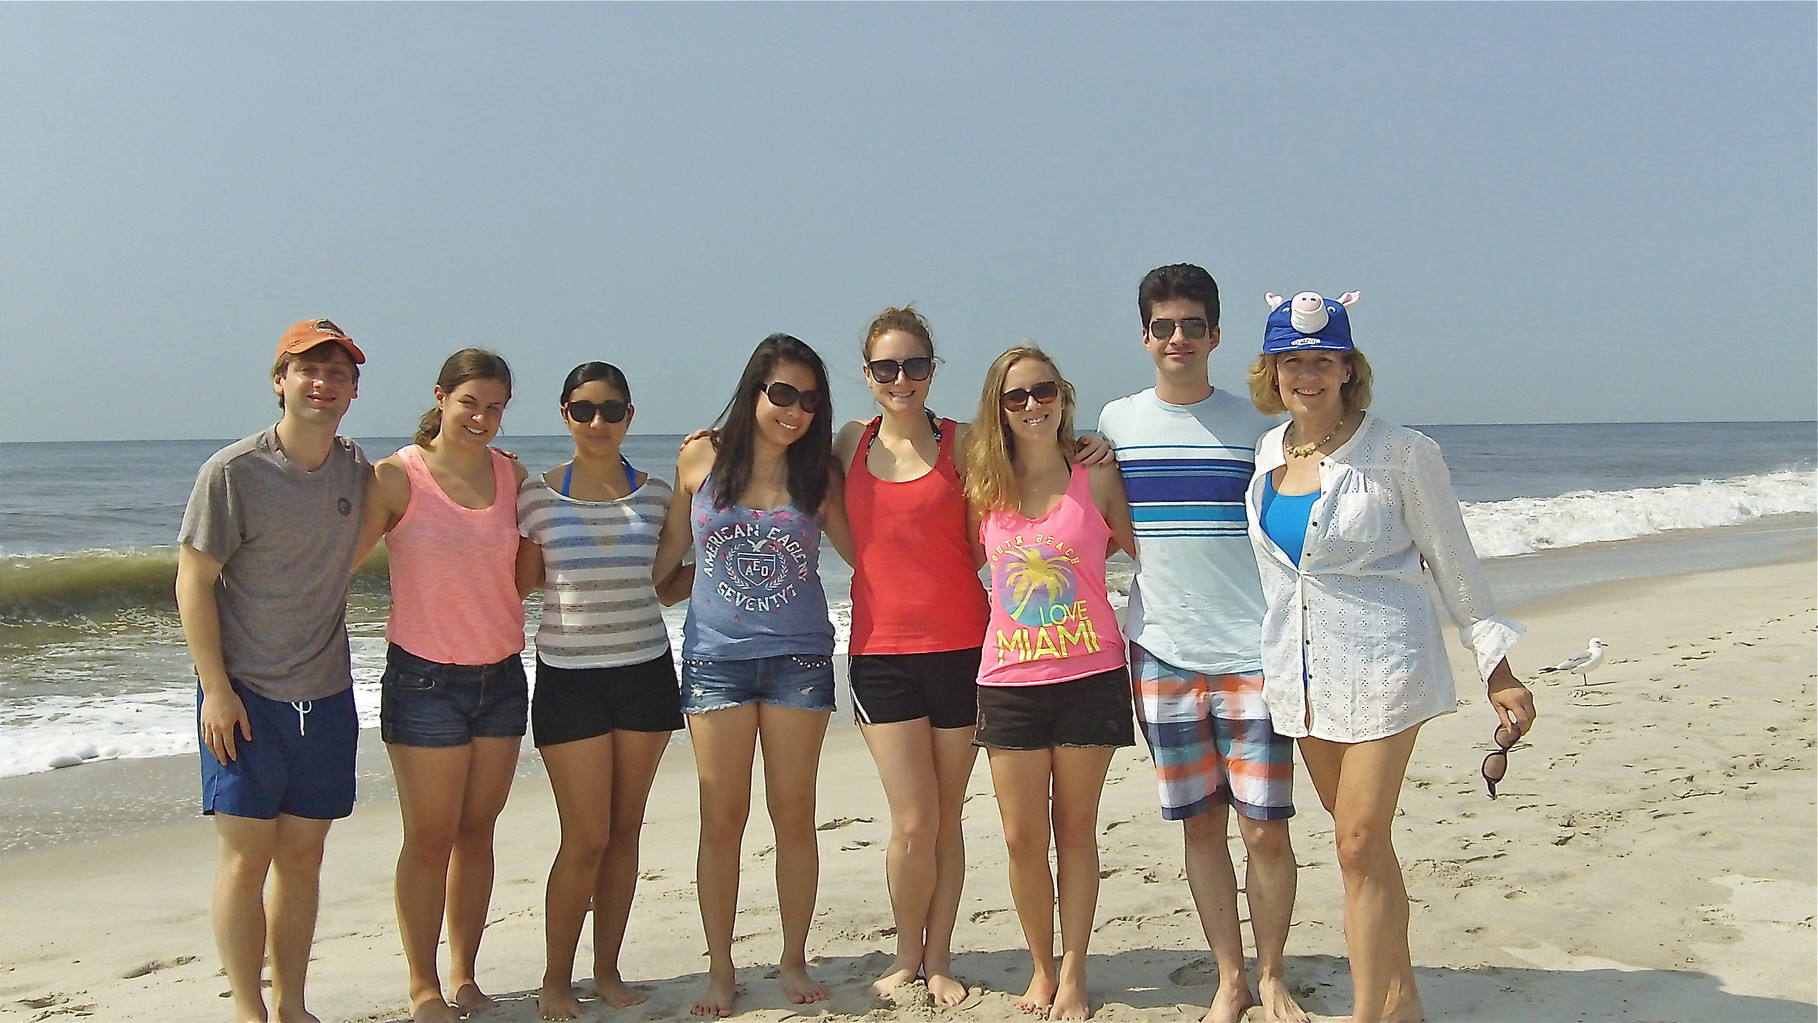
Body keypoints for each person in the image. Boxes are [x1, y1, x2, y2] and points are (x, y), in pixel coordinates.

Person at [1243, 291, 1537, 1023]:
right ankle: (1403, 998)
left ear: (1348, 368)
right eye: (1292, 361)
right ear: (1273, 371)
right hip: (1303, 674)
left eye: (1322, 360)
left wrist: (1496, 665)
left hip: (1384, 664)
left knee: (1356, 838)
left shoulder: (1402, 453)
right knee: (1363, 851)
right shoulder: (1268, 450)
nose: (1307, 375)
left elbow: (1454, 562)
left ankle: (1368, 1012)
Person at [1096, 264, 1306, 1023]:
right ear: (1145, 335)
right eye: (1163, 326)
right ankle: (1230, 977)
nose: (1177, 338)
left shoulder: (1260, 423)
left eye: (1192, 325)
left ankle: (1274, 970)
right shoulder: (1116, 425)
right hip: (1159, 650)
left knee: (1265, 827)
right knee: (1201, 825)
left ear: (1215, 334)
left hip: (1256, 651)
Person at [176, 318, 371, 1023]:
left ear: (353, 389)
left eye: (338, 372)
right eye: (308, 369)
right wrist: (217, 690)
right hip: (245, 691)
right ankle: (249, 1010)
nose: (323, 383)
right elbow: (193, 581)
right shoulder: (233, 471)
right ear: (280, 379)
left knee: (305, 855)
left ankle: (292, 1003)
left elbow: (427, 486)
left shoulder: (355, 467)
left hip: (325, 692)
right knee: (246, 855)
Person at [652, 333, 852, 1018]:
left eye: (808, 399)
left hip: (798, 658)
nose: (793, 410)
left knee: (794, 815)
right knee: (722, 818)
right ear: (755, 391)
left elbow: (869, 551)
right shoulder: (699, 457)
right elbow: (668, 566)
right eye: (782, 394)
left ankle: (793, 958)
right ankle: (720, 969)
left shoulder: (820, 472)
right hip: (715, 662)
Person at [356, 349, 531, 1023]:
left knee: (477, 831)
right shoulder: (395, 477)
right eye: (470, 403)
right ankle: (423, 984)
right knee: (429, 836)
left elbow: (523, 569)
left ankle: (464, 974)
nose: (482, 417)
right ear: (441, 397)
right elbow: (336, 562)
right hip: (423, 678)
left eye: (494, 406)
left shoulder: (511, 475)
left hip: (502, 676)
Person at [965, 346, 1135, 1022]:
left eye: (1043, 391)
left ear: (1063, 394)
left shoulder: (1095, 475)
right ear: (998, 409)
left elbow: (1147, 547)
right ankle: (1039, 964)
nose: (1032, 404)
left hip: (1090, 673)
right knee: (1019, 836)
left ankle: (1074, 970)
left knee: (1076, 830)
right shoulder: (983, 486)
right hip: (1007, 680)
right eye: (1016, 397)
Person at [516, 362, 685, 1020]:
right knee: (583, 836)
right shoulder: (534, 494)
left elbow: (663, 584)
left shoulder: (657, 493)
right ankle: (555, 979)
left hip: (644, 671)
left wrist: (727, 569)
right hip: (568, 679)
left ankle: (608, 969)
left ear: (629, 416)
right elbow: (525, 582)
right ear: (564, 414)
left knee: (624, 831)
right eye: (584, 409)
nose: (598, 422)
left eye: (612, 410)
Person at [830, 306, 985, 1005]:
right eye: (886, 367)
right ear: (868, 375)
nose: (901, 378)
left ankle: (942, 954)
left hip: (964, 648)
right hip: (879, 654)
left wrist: (1096, 451)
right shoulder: (848, 442)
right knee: (912, 818)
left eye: (914, 365)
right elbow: (777, 461)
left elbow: (1000, 524)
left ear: (932, 370)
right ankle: (904, 953)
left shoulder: (967, 441)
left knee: (947, 814)